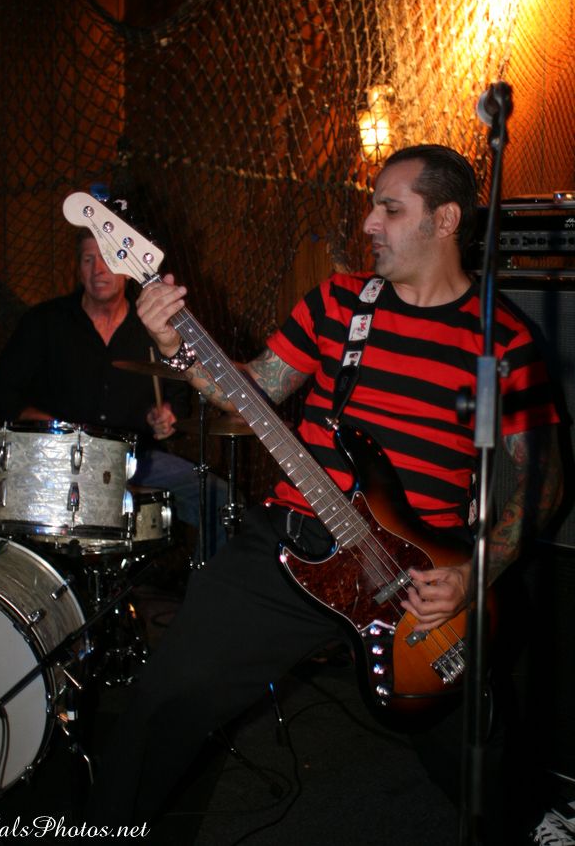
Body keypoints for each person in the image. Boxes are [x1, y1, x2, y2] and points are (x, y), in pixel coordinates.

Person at [85, 145, 564, 843]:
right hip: (294, 541)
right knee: (168, 696)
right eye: (373, 206)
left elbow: (533, 481)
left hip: (419, 581)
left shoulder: (497, 344)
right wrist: (175, 346)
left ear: (445, 220)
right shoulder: (341, 305)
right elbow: (251, 391)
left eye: (390, 209)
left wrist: (474, 574)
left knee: (470, 746)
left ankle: (525, 820)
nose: (369, 222)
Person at [0, 228, 228, 557]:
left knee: (220, 501)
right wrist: (41, 423)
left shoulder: (153, 327)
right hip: (56, 463)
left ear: (126, 269)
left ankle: (205, 589)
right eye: (88, 259)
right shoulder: (44, 322)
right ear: (78, 267)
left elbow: (179, 400)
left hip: (136, 461)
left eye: (108, 260)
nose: (98, 269)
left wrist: (166, 415)